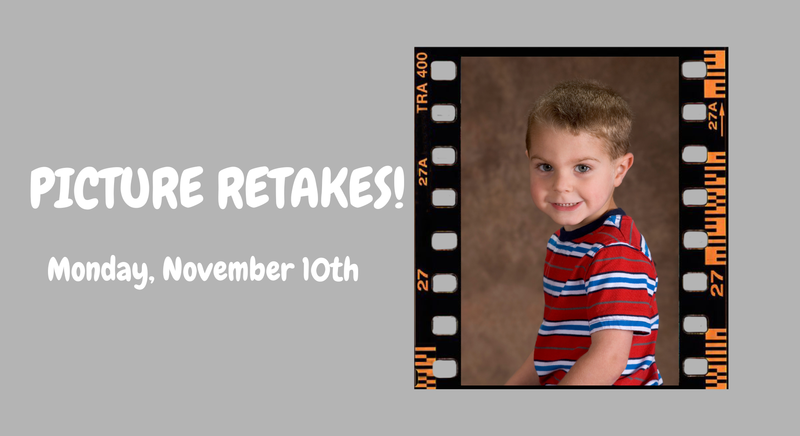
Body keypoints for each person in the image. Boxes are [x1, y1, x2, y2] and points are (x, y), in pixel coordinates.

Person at [506, 80, 662, 386]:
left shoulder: (614, 252)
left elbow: (608, 359)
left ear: (619, 170)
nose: (561, 185)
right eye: (546, 167)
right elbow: (551, 347)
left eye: (582, 168)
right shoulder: (564, 243)